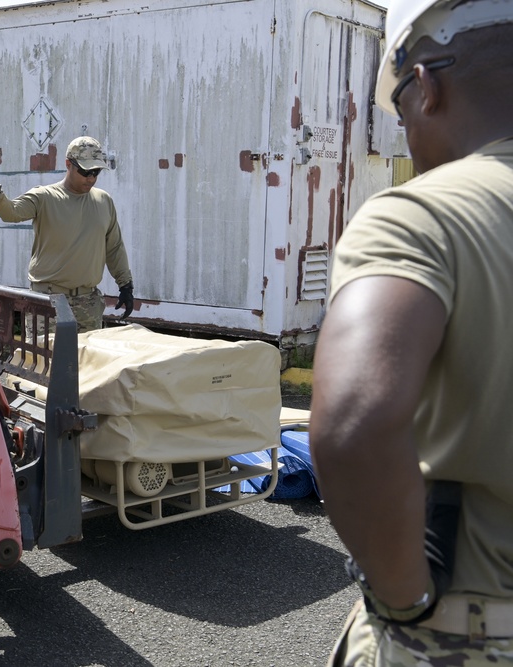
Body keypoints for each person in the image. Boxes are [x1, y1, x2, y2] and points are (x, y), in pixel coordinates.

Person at [310, 0, 513, 664]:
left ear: (426, 87)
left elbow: (354, 426)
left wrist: (407, 601)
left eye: (399, 116)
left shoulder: (424, 216)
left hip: (476, 625)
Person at [0, 136, 133, 332]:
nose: (91, 178)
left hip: (88, 304)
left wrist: (125, 285)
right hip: (48, 302)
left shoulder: (103, 201)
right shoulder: (44, 197)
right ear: (68, 164)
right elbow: (11, 213)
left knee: (88, 362)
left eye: (96, 172)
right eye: (85, 171)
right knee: (43, 361)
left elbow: (114, 247)